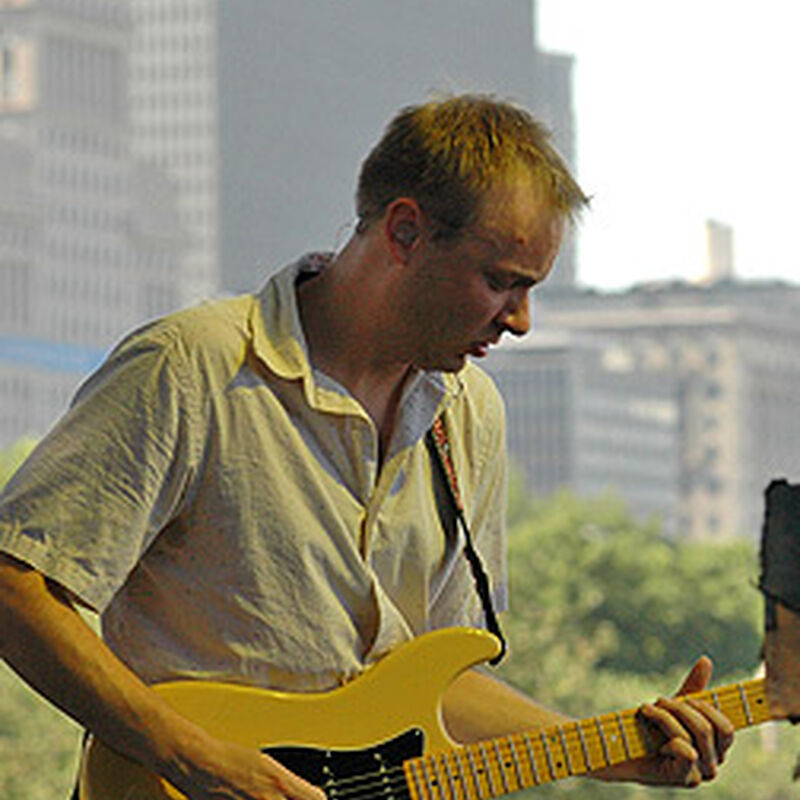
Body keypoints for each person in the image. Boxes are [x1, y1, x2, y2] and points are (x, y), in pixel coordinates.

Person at [0, 95, 734, 800]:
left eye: (531, 288)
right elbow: (15, 586)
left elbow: (440, 683)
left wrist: (607, 750)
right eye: (499, 282)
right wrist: (191, 758)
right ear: (405, 230)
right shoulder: (191, 366)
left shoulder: (469, 413)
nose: (521, 320)